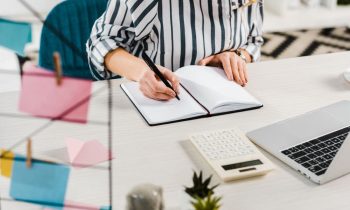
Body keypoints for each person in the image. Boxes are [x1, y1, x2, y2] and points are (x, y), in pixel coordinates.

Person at [87, 0, 264, 100]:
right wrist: (141, 72)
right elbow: (100, 42)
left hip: (229, 98)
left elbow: (254, 40)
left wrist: (238, 56)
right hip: (163, 102)